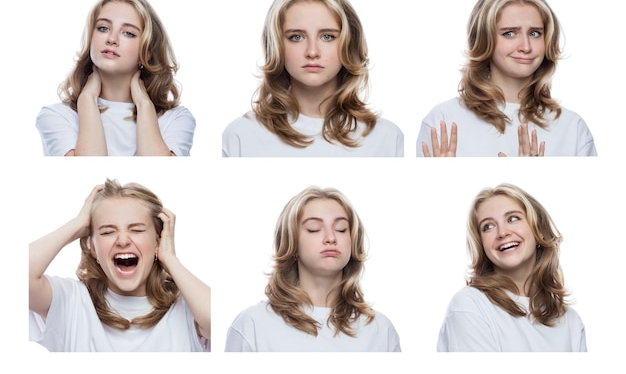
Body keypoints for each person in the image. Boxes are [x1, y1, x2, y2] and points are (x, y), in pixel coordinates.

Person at [222, 0, 403, 156]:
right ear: (277, 45)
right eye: (296, 37)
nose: (312, 52)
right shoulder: (240, 136)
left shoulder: (386, 138)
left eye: (327, 37)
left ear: (349, 42)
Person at [29, 179, 211, 351]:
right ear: (92, 247)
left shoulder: (187, 308)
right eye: (108, 232)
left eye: (137, 230)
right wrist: (77, 224)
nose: (123, 240)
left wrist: (170, 258)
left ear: (158, 241)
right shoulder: (71, 301)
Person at [417, 0, 596, 157]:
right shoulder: (444, 120)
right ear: (485, 39)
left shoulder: (572, 128)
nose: (526, 47)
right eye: (509, 33)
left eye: (535, 33)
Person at [225, 186, 401, 351]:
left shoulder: (380, 331)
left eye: (341, 229)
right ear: (291, 243)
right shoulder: (252, 325)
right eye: (314, 229)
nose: (331, 237)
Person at [36, 0, 195, 156]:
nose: (111, 39)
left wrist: (144, 104)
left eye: (128, 33)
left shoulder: (176, 120)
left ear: (146, 52)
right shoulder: (56, 116)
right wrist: (87, 99)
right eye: (103, 28)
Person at [437, 183, 586, 351]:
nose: (502, 232)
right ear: (482, 245)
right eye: (488, 226)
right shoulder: (470, 306)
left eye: (513, 218)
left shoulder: (571, 322)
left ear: (540, 230)